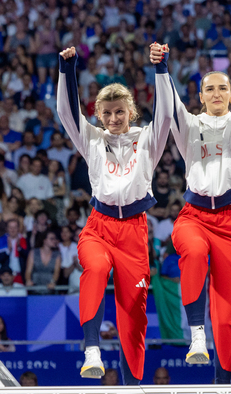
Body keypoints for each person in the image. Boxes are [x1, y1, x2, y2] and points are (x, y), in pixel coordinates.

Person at [56, 44, 173, 385]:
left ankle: (133, 384)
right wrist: (67, 72)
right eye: (106, 114)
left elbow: (166, 115)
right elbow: (66, 113)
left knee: (134, 315)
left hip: (135, 233)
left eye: (119, 112)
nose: (113, 119)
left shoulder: (148, 139)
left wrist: (161, 69)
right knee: (94, 268)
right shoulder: (91, 139)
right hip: (99, 227)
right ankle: (91, 350)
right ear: (99, 115)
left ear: (131, 112)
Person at [152, 40, 231, 384]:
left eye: (223, 88)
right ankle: (197, 334)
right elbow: (168, 106)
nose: (216, 93)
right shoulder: (190, 125)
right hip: (193, 216)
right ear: (200, 95)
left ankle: (222, 383)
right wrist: (161, 67)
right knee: (193, 252)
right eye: (209, 88)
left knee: (228, 317)